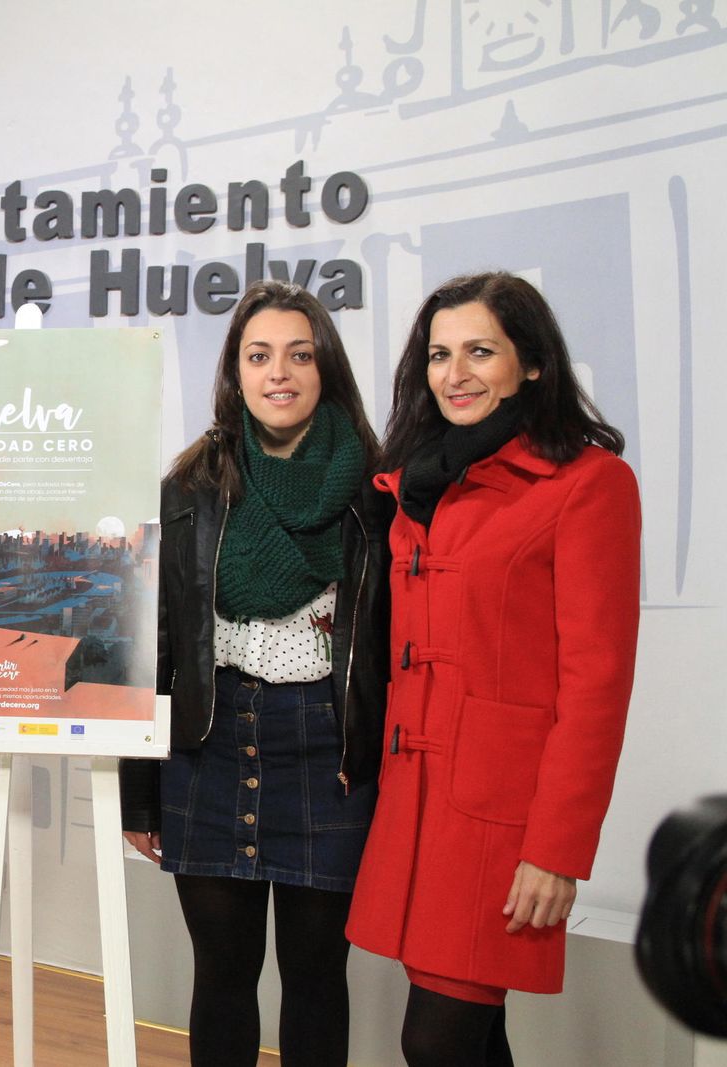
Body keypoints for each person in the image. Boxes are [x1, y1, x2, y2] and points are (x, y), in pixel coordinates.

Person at [345, 273, 640, 1066]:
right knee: (470, 1037)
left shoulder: (588, 485)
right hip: (414, 804)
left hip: (501, 816)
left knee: (437, 1040)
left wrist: (558, 848)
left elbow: (597, 683)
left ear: (533, 364)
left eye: (481, 350)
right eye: (440, 354)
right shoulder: (417, 481)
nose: (456, 372)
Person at [121, 280, 391, 1067]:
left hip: (326, 752)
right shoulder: (191, 488)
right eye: (259, 354)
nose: (280, 372)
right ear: (235, 374)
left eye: (299, 354)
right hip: (206, 744)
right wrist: (140, 787)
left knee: (315, 978)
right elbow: (157, 642)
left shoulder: (375, 494)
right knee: (224, 976)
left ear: (325, 368)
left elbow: (388, 645)